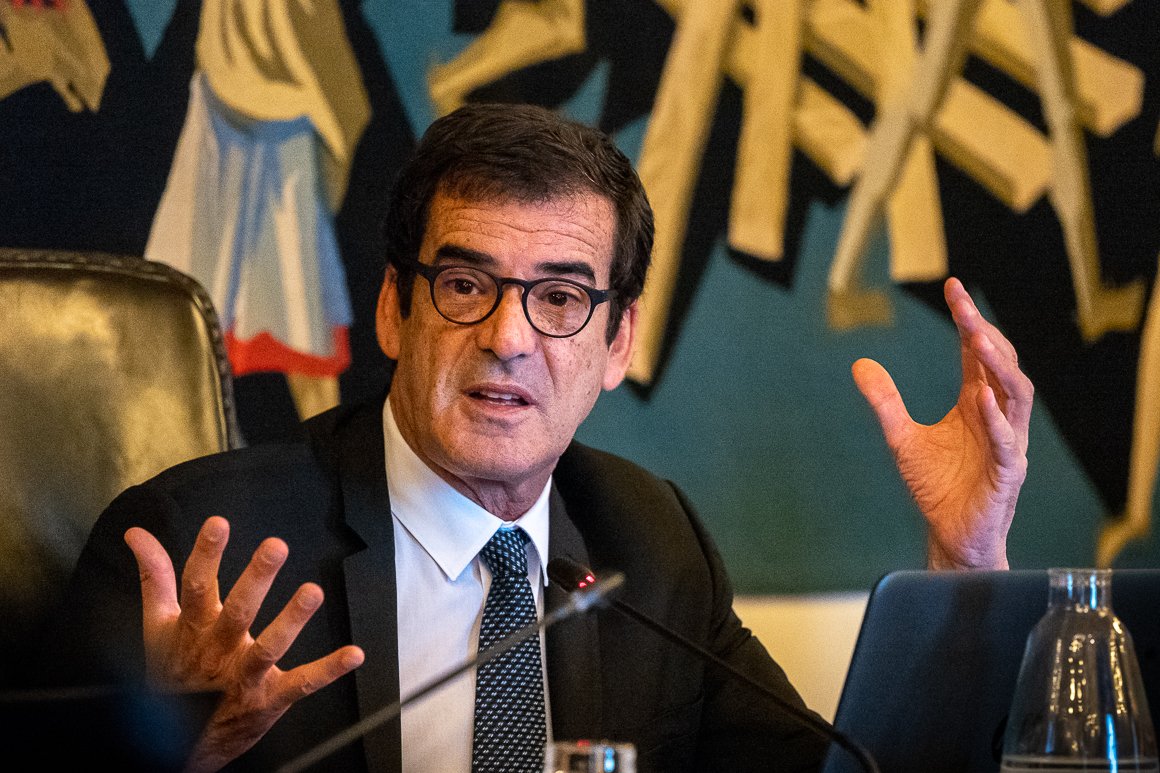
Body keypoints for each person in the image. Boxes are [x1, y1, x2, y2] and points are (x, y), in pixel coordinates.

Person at [53, 103, 1032, 773]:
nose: (509, 336)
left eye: (560, 297)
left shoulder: (651, 540)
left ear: (618, 342)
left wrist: (966, 565)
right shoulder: (197, 553)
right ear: (395, 308)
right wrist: (185, 751)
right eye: (466, 285)